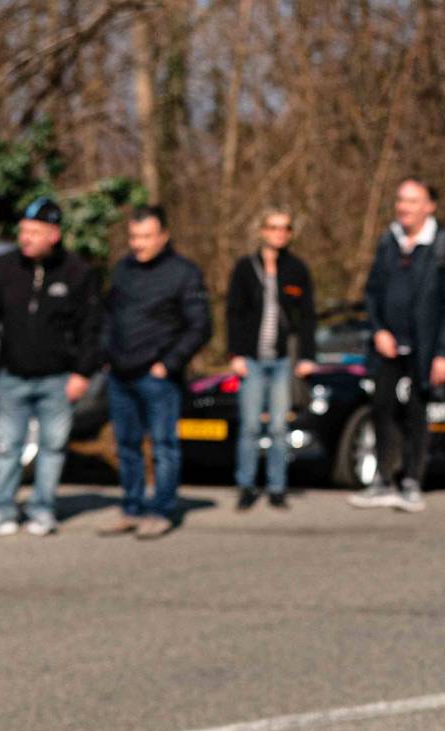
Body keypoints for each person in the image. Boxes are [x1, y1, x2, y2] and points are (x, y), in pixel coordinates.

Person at [0, 197, 103, 537]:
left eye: (35, 232)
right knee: (9, 446)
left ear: (53, 234)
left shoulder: (77, 273)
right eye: (23, 230)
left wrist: (83, 372)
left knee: (52, 447)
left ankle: (43, 510)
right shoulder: (3, 270)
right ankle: (2, 510)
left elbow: (91, 329)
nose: (25, 238)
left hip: (58, 379)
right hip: (11, 375)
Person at [352, 179, 445, 513]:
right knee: (381, 410)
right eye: (401, 200)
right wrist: (378, 330)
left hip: (426, 349)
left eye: (412, 201)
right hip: (386, 346)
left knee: (417, 414)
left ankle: (411, 481)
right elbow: (371, 293)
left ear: (429, 206)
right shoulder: (389, 241)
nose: (404, 207)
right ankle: (382, 480)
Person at [100, 205, 209, 539]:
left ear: (163, 236)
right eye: (134, 237)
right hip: (120, 373)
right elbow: (108, 315)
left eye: (146, 237)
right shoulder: (123, 270)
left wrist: (170, 363)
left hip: (158, 376)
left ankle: (161, 509)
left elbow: (200, 326)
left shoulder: (184, 273)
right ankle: (132, 507)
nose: (139, 244)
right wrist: (106, 353)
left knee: (163, 446)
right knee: (127, 444)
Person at [225, 208, 318, 510]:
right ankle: (246, 485)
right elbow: (233, 313)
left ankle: (277, 487)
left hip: (281, 361)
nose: (280, 233)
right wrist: (235, 354)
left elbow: (307, 317)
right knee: (250, 426)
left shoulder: (297, 269)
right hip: (250, 359)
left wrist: (306, 357)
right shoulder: (244, 268)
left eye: (285, 228)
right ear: (263, 230)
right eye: (274, 227)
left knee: (279, 427)